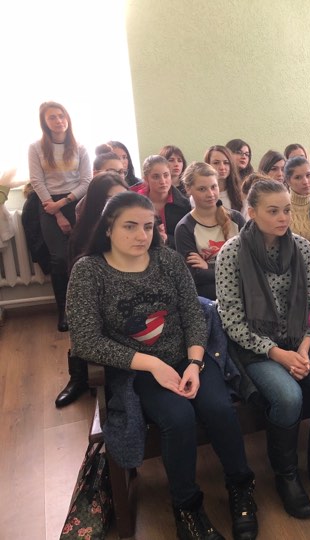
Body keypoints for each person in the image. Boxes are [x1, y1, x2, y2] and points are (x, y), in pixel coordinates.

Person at [66, 191, 258, 540]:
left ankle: (240, 486)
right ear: (108, 228)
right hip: (137, 369)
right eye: (130, 226)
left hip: (188, 357)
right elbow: (86, 341)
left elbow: (194, 314)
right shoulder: (89, 271)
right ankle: (187, 509)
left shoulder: (167, 260)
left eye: (148, 226)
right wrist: (151, 364)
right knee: (178, 418)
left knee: (218, 408)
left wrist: (195, 362)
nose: (141, 235)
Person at [215, 180, 310, 519]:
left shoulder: (300, 246)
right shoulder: (231, 252)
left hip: (300, 339)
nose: (283, 217)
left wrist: (304, 345)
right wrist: (278, 354)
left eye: (286, 210)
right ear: (252, 212)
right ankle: (286, 476)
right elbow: (232, 321)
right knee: (288, 397)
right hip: (256, 346)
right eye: (273, 211)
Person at [54, 172, 128, 408]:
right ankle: (78, 377)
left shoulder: (136, 230)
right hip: (97, 303)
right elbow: (79, 292)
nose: (118, 205)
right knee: (82, 319)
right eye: (110, 199)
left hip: (130, 302)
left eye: (122, 197)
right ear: (97, 203)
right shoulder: (82, 237)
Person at [28, 101, 92, 332]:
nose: (58, 121)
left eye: (61, 115)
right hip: (48, 204)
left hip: (76, 201)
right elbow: (37, 181)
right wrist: (56, 212)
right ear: (45, 122)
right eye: (52, 117)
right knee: (59, 259)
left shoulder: (80, 147)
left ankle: (86, 307)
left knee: (82, 256)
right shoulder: (36, 148)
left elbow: (86, 181)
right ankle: (64, 310)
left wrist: (64, 204)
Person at [175, 162, 245, 300]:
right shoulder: (184, 228)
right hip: (209, 298)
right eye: (202, 189)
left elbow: (247, 264)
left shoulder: (236, 219)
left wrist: (208, 267)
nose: (210, 194)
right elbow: (195, 275)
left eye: (214, 187)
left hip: (242, 293)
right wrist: (231, 269)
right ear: (188, 189)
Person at [131, 155, 191, 249]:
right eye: (156, 177)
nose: (163, 181)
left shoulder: (183, 204)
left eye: (166, 175)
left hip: (174, 253)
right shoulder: (135, 203)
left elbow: (186, 239)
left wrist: (166, 239)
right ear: (146, 179)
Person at [204, 145, 243, 212]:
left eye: (226, 163)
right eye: (216, 163)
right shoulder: (200, 194)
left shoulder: (240, 194)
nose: (222, 167)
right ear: (208, 165)